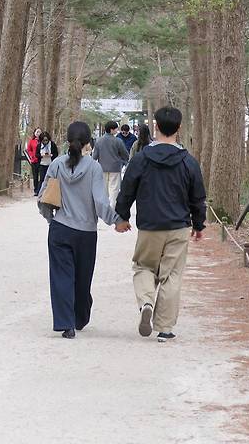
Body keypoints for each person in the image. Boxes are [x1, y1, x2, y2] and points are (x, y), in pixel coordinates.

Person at [115, 105, 206, 343]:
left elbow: (127, 190)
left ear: (156, 126)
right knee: (171, 275)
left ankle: (146, 301)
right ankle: (164, 328)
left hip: (149, 226)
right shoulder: (188, 161)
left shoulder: (142, 158)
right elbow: (197, 196)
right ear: (179, 128)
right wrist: (199, 224)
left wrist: (122, 217)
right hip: (178, 227)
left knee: (144, 267)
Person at [39, 120, 130, 337]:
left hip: (60, 229)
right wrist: (115, 220)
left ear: (68, 140)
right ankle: (79, 317)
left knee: (61, 276)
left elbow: (44, 197)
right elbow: (100, 202)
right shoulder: (93, 168)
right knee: (82, 277)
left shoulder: (56, 165)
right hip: (86, 233)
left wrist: (51, 219)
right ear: (88, 142)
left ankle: (66, 323)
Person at [92, 120, 130, 205]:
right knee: (114, 190)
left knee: (104, 190)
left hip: (102, 168)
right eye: (116, 129)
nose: (117, 130)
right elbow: (125, 155)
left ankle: (104, 208)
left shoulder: (99, 141)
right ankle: (112, 210)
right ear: (112, 130)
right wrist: (124, 161)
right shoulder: (118, 141)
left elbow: (94, 156)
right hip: (115, 168)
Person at [26, 127, 42, 195]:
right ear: (34, 133)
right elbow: (29, 149)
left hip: (42, 160)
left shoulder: (43, 141)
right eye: (37, 132)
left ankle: (41, 189)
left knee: (41, 176)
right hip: (34, 161)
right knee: (35, 176)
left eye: (39, 132)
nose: (38, 133)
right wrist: (32, 155)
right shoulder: (31, 141)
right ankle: (36, 190)